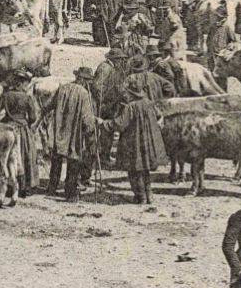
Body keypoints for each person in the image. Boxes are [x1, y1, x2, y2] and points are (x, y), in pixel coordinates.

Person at [107, 75, 164, 205]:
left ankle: (141, 197)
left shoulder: (130, 107)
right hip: (147, 141)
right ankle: (149, 196)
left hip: (134, 142)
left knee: (134, 169)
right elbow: (159, 115)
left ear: (130, 93)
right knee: (145, 169)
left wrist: (103, 123)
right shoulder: (149, 103)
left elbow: (120, 124)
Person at [44, 67, 98, 199]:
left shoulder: (62, 88)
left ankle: (52, 188)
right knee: (74, 162)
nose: (89, 84)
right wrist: (91, 131)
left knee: (56, 160)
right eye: (88, 81)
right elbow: (87, 119)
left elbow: (48, 105)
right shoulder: (84, 94)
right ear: (83, 80)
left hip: (59, 132)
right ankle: (70, 192)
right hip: (74, 134)